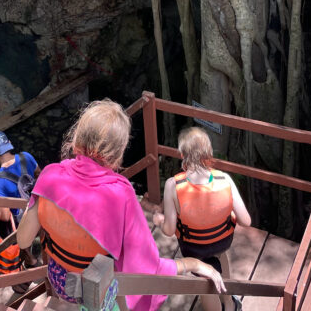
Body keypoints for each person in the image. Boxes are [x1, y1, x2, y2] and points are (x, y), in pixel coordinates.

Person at [16, 100, 225, 311]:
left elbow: (23, 239)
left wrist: (36, 201)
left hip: (60, 281)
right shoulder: (120, 193)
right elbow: (146, 265)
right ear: (118, 152)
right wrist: (194, 264)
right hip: (96, 289)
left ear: (78, 135)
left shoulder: (50, 175)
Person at [152, 127, 252, 311]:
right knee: (220, 256)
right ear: (209, 153)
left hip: (193, 248)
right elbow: (246, 221)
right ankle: (230, 305)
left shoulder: (173, 185)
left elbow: (168, 230)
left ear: (182, 154)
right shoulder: (225, 180)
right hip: (222, 242)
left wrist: (159, 220)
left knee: (204, 281)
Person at [0, 131, 40, 224]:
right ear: (9, 142)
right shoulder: (26, 156)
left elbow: (5, 216)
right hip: (41, 208)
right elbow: (39, 174)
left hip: (26, 222)